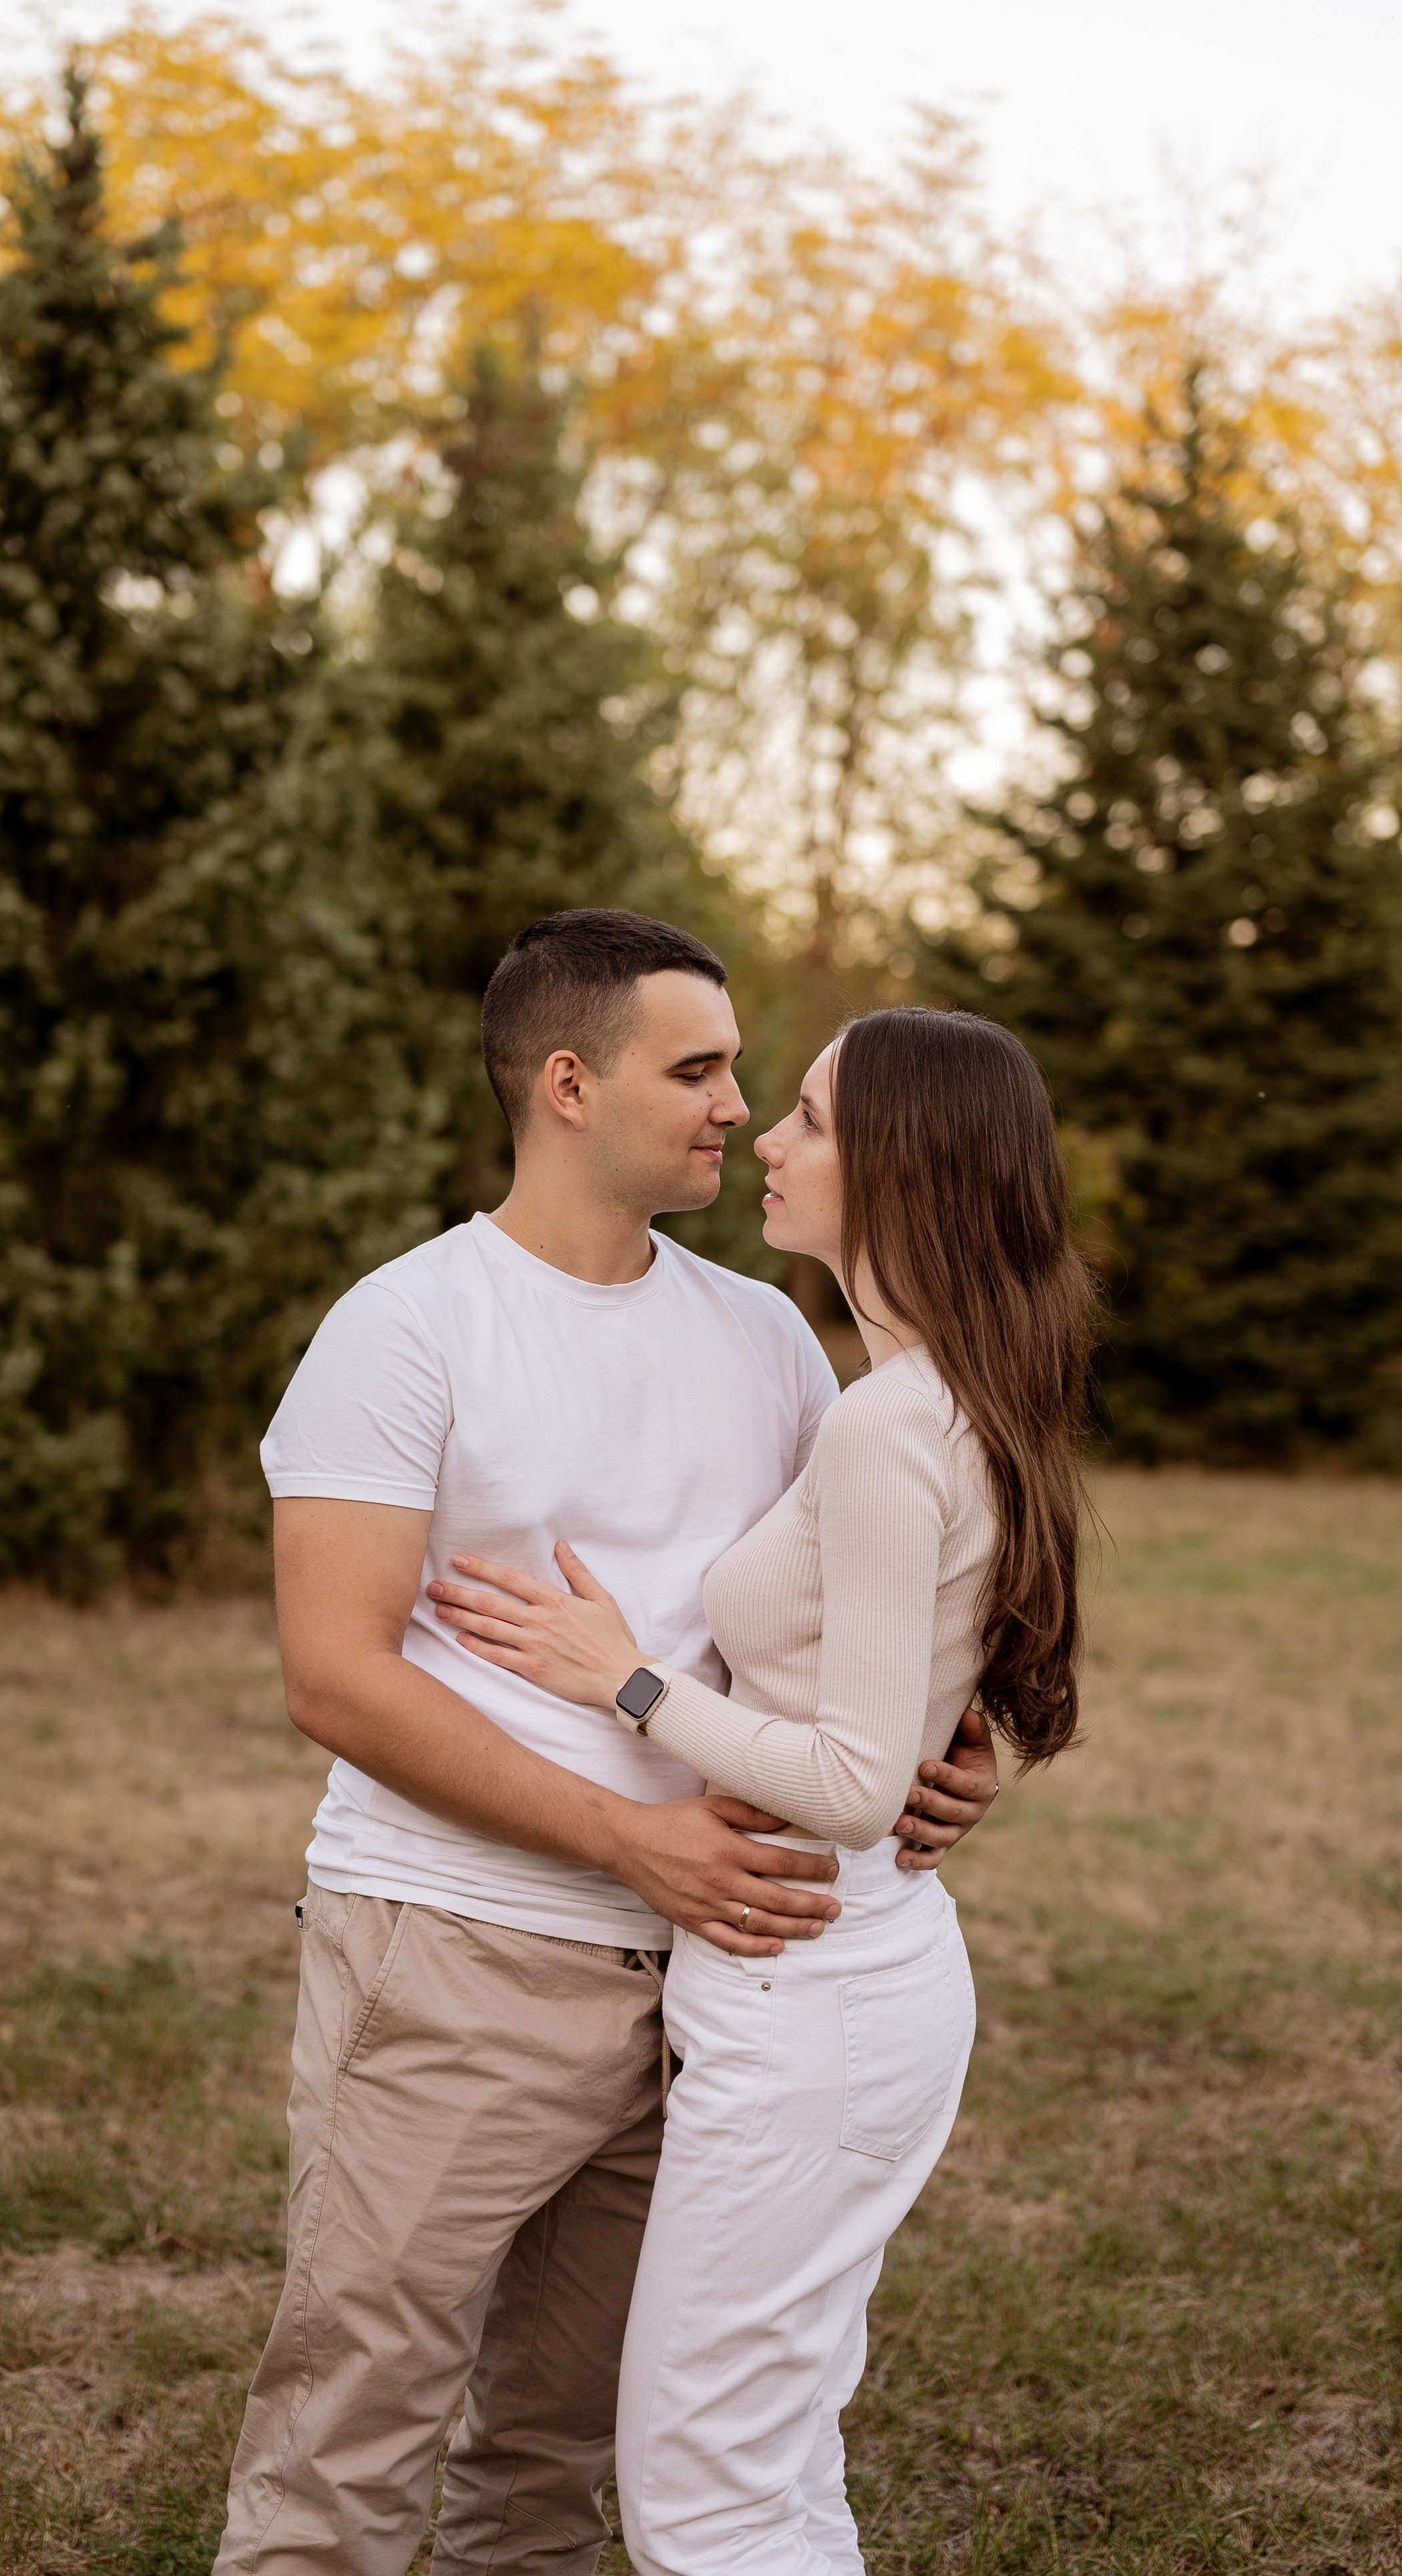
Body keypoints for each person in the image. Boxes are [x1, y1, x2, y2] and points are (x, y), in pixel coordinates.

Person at [212, 914, 999, 2576]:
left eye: (742, 1075)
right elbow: (335, 1678)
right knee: (351, 2435)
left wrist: (955, 1734)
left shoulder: (765, 1333)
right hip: (459, 1957)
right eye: (697, 1069)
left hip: (716, 1980)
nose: (735, 1108)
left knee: (556, 2456)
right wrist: (626, 1835)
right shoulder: (408, 1327)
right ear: (568, 1084)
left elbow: (859, 1586)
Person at [427, 1005, 1092, 2576]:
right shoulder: (947, 1392)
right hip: (846, 1972)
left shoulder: (886, 1424)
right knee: (772, 2458)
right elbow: (906, 1686)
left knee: (703, 2491)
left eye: (807, 1116)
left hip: (814, 1982)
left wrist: (623, 1679)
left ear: (903, 1166)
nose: (763, 1137)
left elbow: (852, 1784)